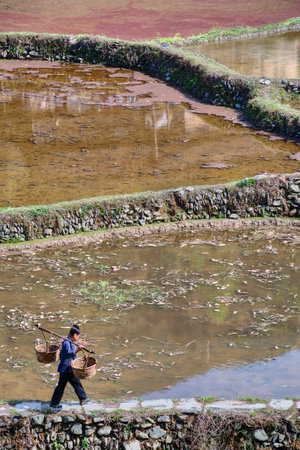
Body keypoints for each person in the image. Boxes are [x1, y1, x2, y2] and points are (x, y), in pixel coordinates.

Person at [50, 324, 88, 411]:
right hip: (66, 368)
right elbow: (68, 353)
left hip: (70, 367)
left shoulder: (71, 342)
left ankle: (83, 398)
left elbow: (73, 355)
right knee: (62, 386)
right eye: (78, 336)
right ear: (74, 335)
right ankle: (54, 404)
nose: (78, 337)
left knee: (75, 383)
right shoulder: (66, 342)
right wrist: (77, 350)